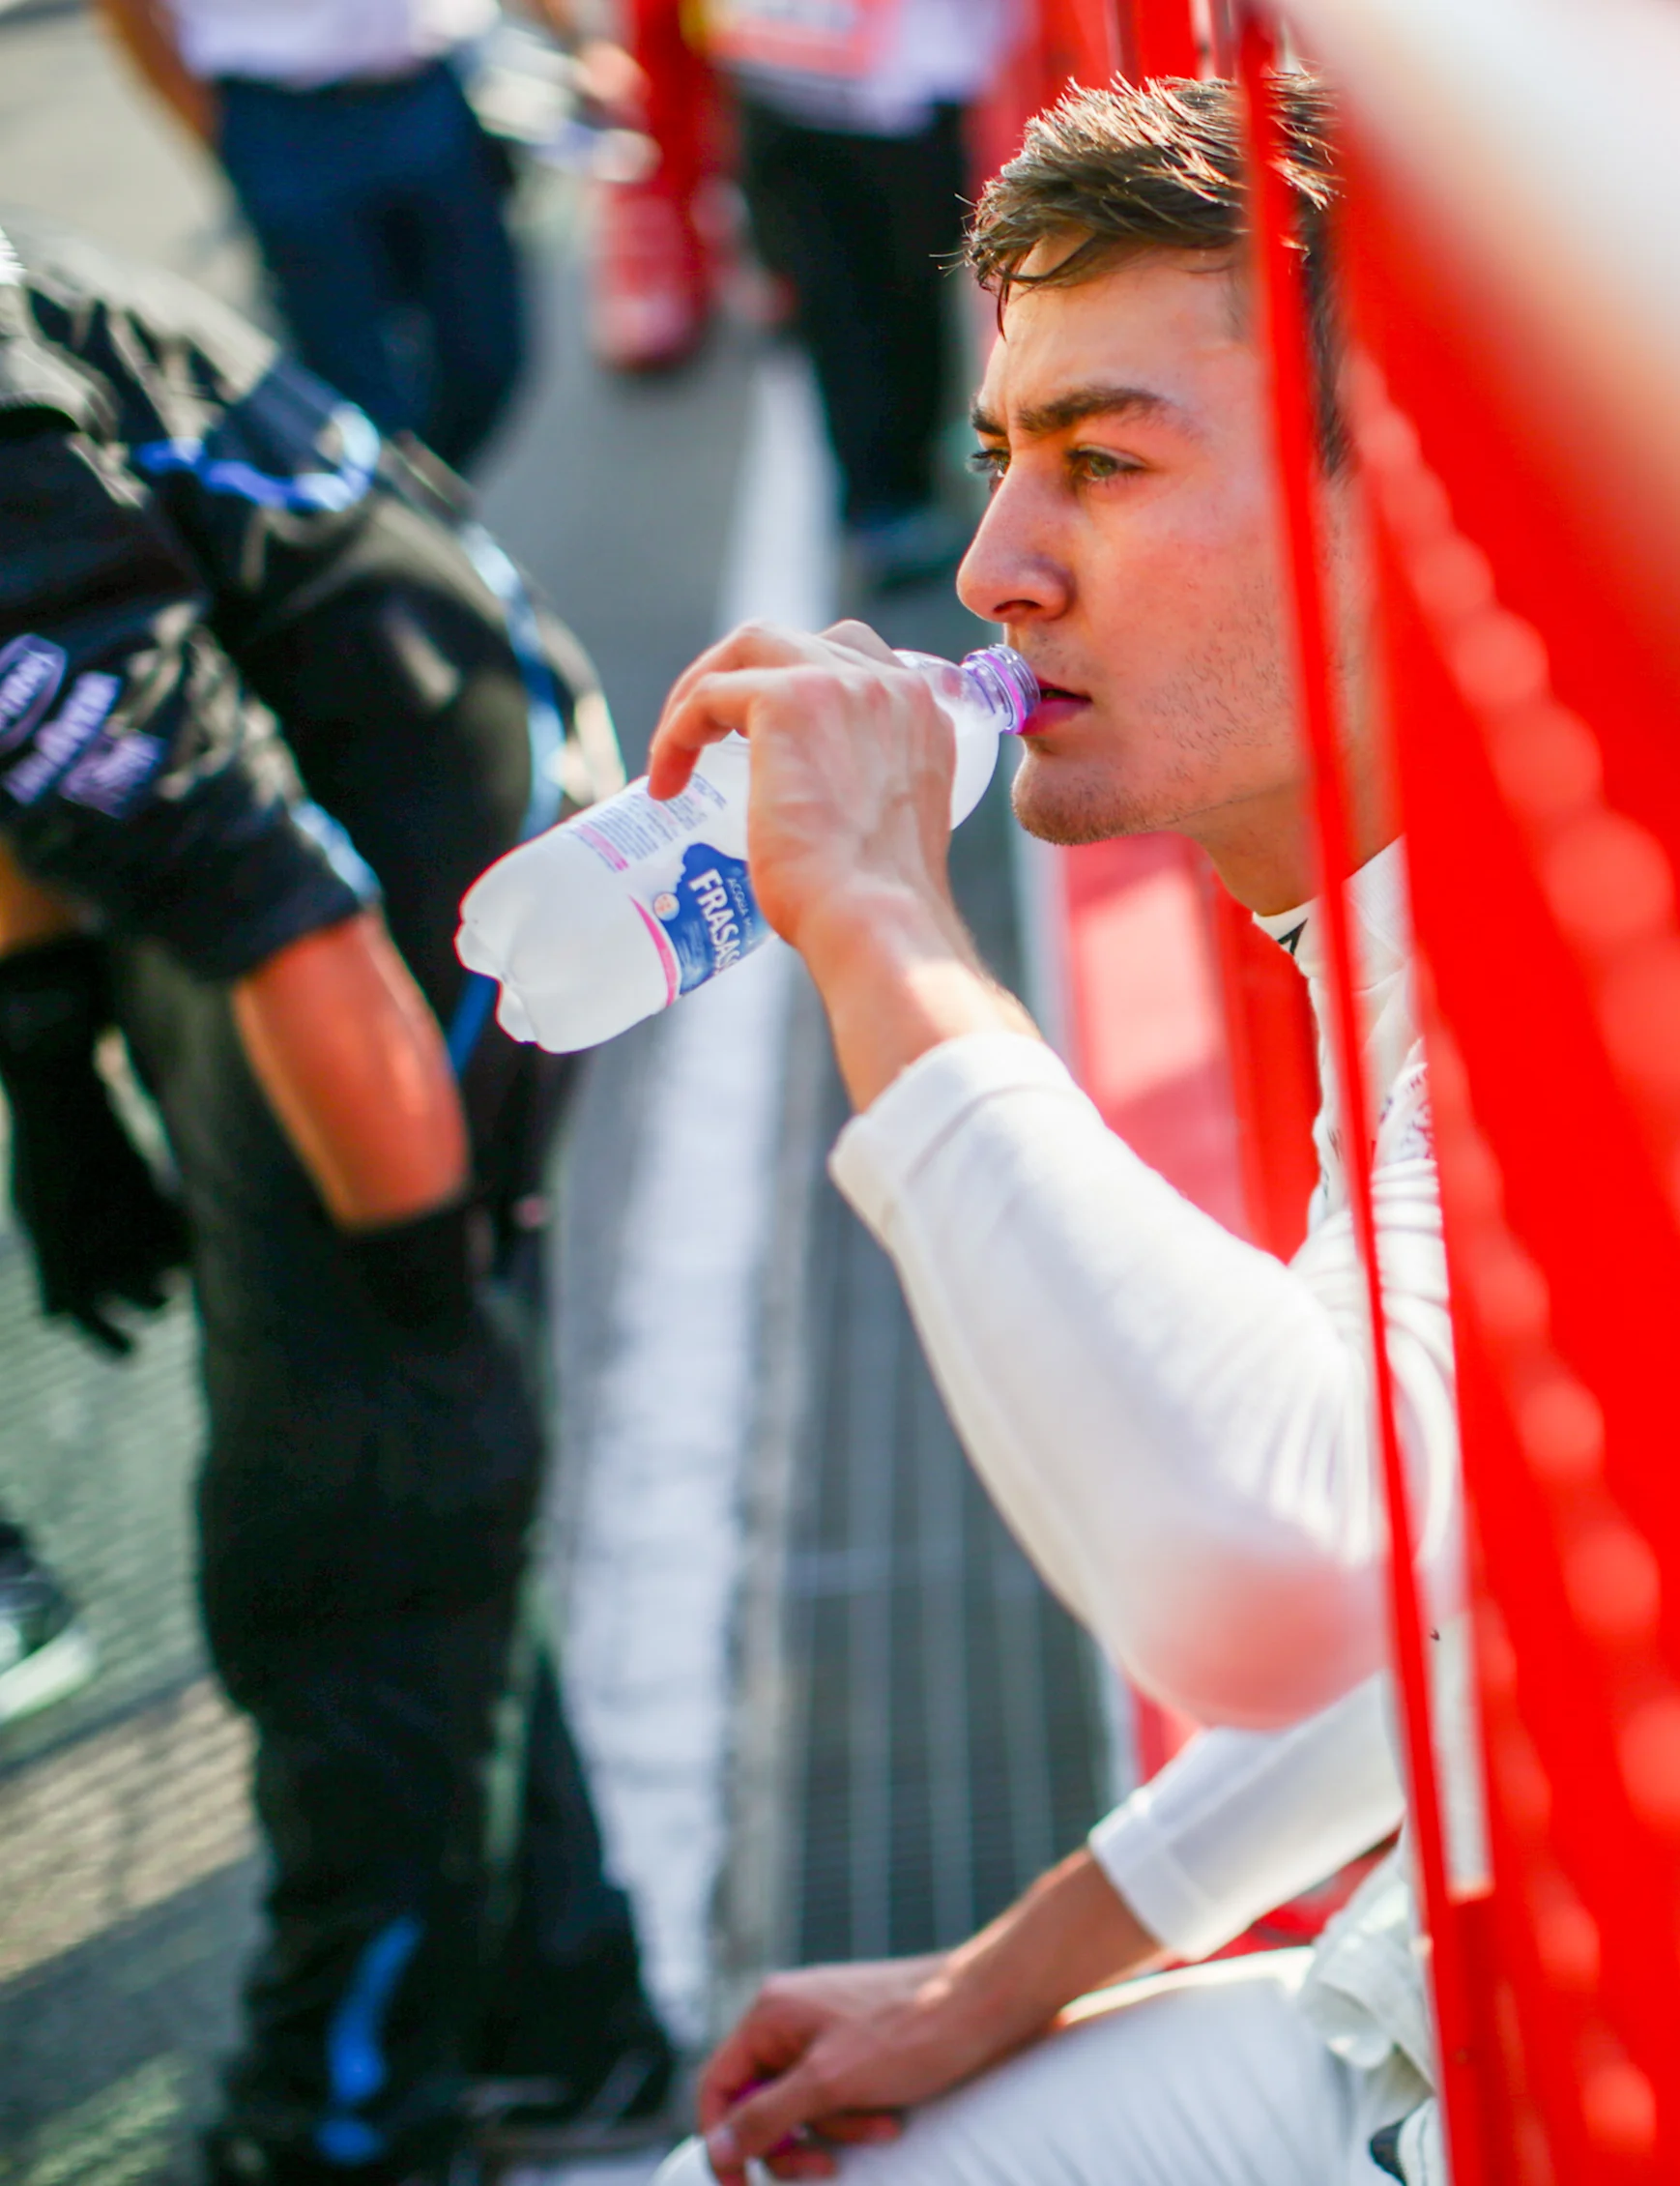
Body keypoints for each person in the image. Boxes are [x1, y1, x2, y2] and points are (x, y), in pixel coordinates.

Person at [629, 73, 1476, 2186]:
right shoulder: (1419, 903)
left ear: (1411, 503)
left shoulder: (1557, 962)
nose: (998, 567)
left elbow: (1283, 1568)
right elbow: (1464, 1595)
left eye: (1102, 460)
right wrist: (1012, 1969)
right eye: (1005, 454)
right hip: (1454, 1996)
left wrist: (883, 919)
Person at [0, 220, 673, 2180]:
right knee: (394, 1510)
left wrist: (410, 1304)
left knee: (363, 1515)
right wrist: (49, 1051)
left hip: (426, 879)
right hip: (335, 746)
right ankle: (558, 2005)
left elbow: (282, 917)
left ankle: (345, 2124)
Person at [92, 0, 641, 474]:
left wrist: (578, 43)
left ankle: (405, 514)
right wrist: (223, 137)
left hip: (426, 92)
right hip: (280, 119)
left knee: (487, 352)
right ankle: (396, 532)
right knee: (355, 387)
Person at [710, 0, 1017, 590]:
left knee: (864, 298)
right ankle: (887, 502)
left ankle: (891, 493)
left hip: (798, 64)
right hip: (853, 78)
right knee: (874, 301)